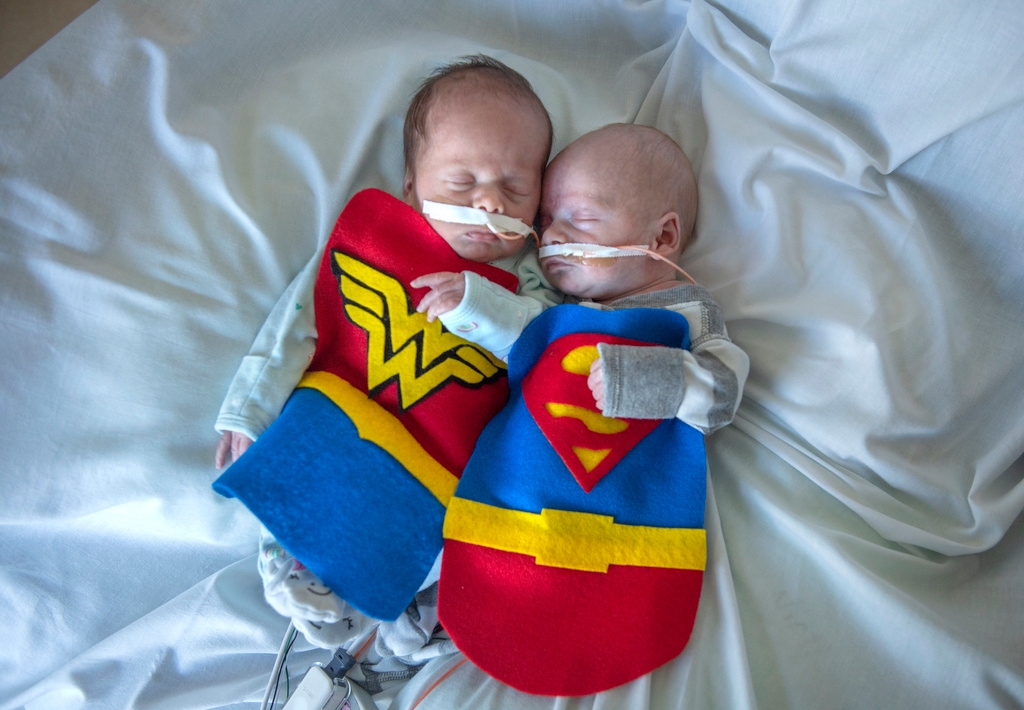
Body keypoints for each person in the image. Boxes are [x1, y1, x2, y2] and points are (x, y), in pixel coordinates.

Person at [211, 55, 561, 671]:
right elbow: (297, 323)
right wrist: (248, 408)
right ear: (410, 188)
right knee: (298, 470)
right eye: (462, 183)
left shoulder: (530, 281)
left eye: (514, 188)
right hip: (348, 406)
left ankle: (417, 612)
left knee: (457, 532)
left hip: (443, 455)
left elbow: (543, 348)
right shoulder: (374, 245)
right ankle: (289, 567)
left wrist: (477, 302)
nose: (487, 202)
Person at [433, 123, 750, 696]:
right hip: (516, 502)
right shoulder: (558, 308)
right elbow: (522, 336)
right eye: (546, 222)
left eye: (577, 219)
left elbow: (722, 393)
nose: (549, 237)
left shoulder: (687, 317)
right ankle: (418, 610)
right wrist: (470, 305)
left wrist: (657, 379)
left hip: (631, 519)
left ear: (664, 236)